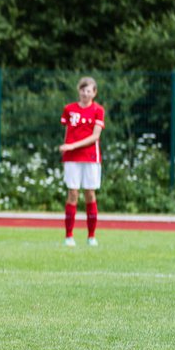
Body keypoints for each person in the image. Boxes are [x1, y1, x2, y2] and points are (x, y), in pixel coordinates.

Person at [59, 76, 105, 247]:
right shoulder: (69, 109)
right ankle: (68, 236)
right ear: (78, 91)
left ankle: (91, 236)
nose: (85, 94)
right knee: (72, 193)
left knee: (90, 194)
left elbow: (95, 136)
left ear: (94, 93)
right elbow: (67, 132)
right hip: (72, 158)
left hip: (91, 157)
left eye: (89, 91)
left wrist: (72, 146)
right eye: (82, 90)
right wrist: (67, 149)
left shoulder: (98, 110)